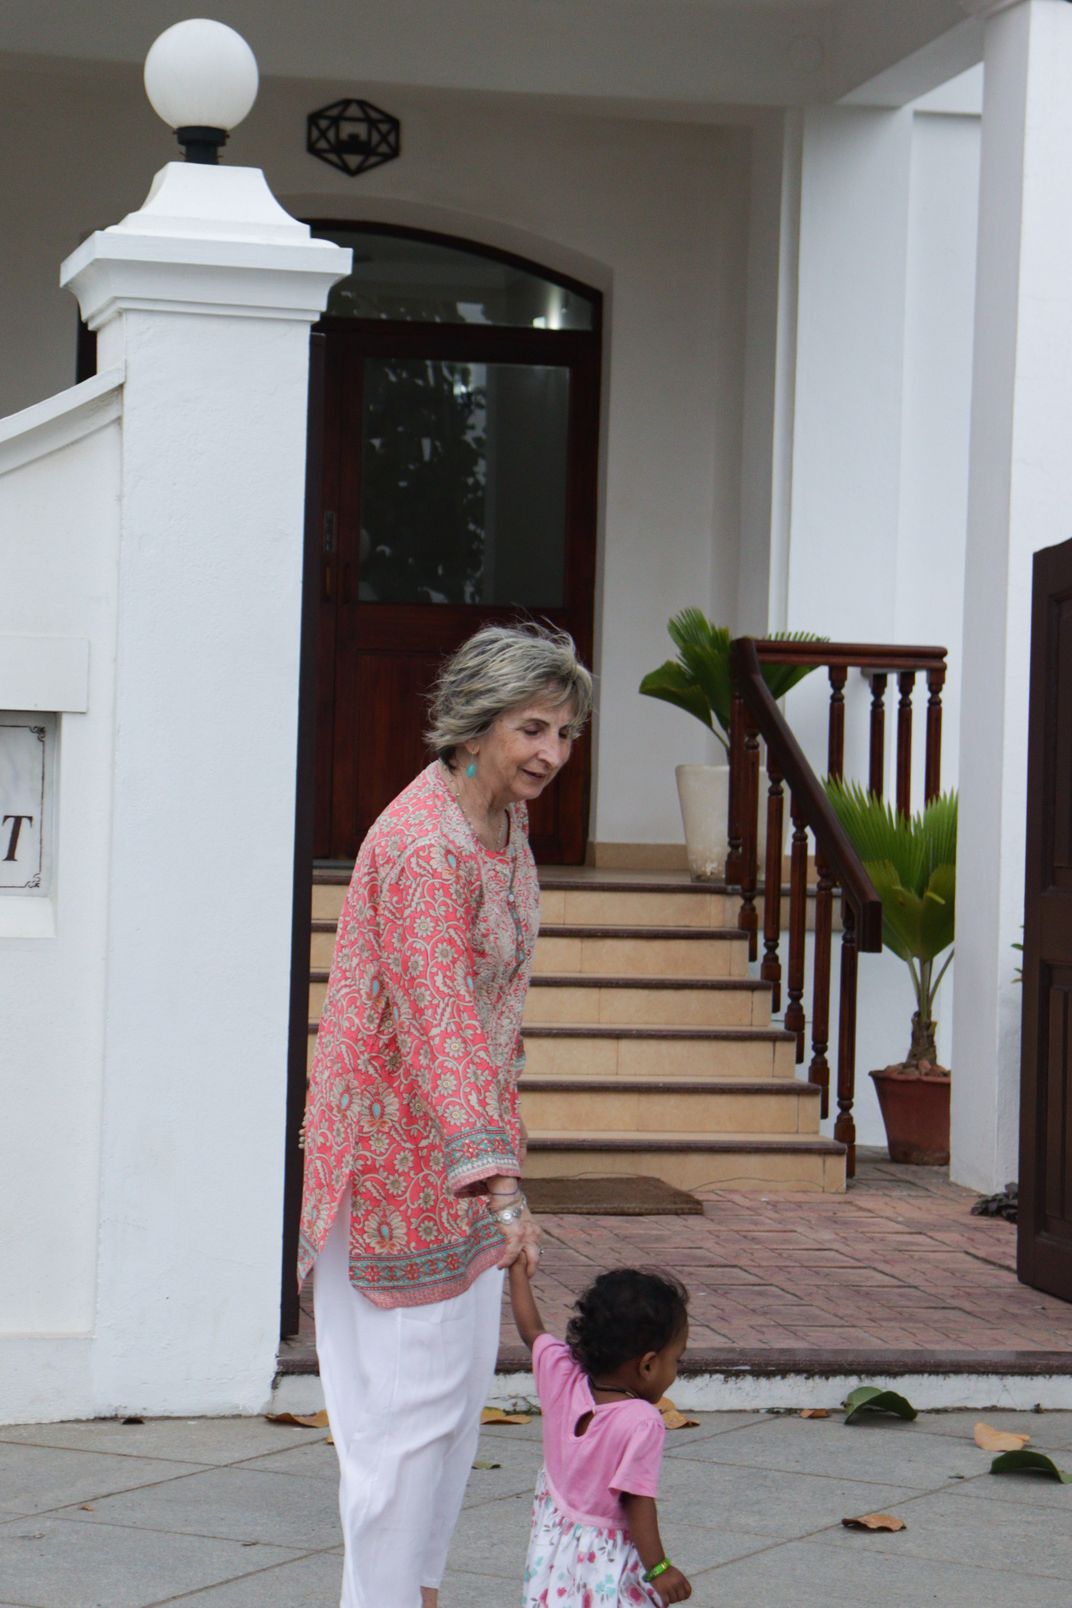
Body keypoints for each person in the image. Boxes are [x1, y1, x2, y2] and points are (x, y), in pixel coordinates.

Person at [297, 621, 593, 1608]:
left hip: (460, 1153)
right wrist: (501, 1185)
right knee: (402, 1424)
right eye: (532, 729)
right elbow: (439, 1022)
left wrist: (494, 1165)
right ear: (475, 726)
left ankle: (415, 1592)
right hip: (391, 1157)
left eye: (564, 732)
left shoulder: (501, 823)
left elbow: (488, 1015)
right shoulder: (425, 846)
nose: (552, 753)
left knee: (452, 1412)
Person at [509, 1258, 693, 1606]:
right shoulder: (641, 1421)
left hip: (554, 1554)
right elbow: (636, 1499)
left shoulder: (562, 1375)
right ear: (648, 1365)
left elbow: (531, 1331)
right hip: (606, 1564)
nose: (675, 1370)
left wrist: (517, 1270)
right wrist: (659, 1568)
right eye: (676, 1360)